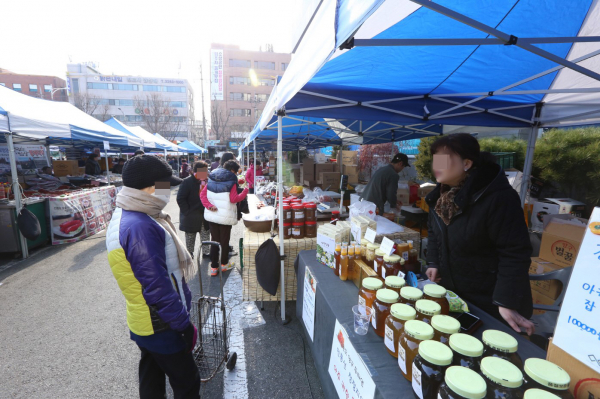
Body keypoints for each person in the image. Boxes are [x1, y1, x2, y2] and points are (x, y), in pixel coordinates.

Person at [105, 155, 199, 398]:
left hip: (144, 322)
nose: (167, 190)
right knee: (187, 383)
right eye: (164, 184)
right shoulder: (140, 225)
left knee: (152, 379)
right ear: (148, 186)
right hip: (160, 324)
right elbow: (157, 287)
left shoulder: (129, 213)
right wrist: (182, 325)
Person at [424, 133, 534, 335]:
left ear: (467, 163)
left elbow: (515, 252)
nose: (436, 166)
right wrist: (433, 262)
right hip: (455, 295)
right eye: (435, 160)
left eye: (444, 160)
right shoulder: (440, 198)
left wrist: (506, 301)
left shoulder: (498, 198)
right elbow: (434, 232)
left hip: (490, 300)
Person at [200, 160, 248, 276]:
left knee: (214, 240)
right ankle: (224, 264)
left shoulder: (212, 177)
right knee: (224, 241)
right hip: (225, 216)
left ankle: (213, 268)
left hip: (212, 216)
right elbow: (234, 199)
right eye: (235, 172)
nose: (236, 174)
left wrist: (209, 206)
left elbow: (202, 195)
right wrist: (245, 191)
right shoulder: (232, 180)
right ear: (232, 171)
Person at [177, 161, 210, 259]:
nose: (206, 172)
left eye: (206, 170)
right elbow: (180, 198)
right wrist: (187, 211)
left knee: (205, 234)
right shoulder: (187, 181)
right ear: (196, 171)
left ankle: (206, 253)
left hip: (204, 214)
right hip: (191, 215)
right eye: (203, 170)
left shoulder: (207, 181)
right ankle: (189, 253)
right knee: (190, 236)